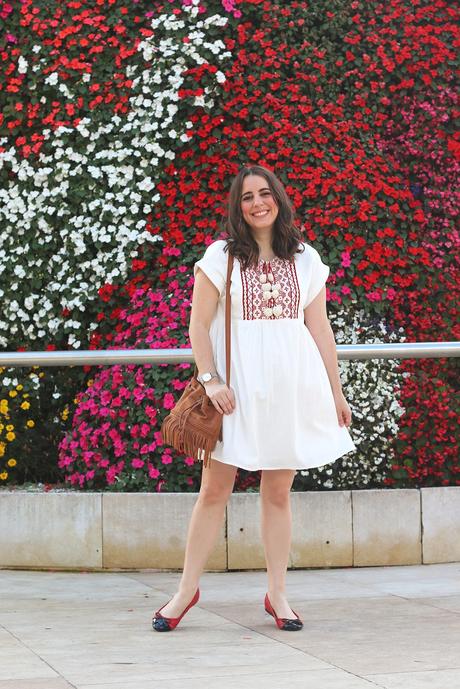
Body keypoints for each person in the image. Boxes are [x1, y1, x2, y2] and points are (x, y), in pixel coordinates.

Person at [152, 164, 356, 632]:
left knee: (278, 494)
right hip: (235, 395)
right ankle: (186, 591)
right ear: (236, 206)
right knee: (213, 492)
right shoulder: (221, 255)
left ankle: (278, 595)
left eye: (265, 194)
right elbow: (198, 325)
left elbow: (319, 328)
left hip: (291, 389)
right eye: (247, 197)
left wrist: (335, 392)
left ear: (279, 199)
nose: (258, 203)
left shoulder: (306, 258)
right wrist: (211, 380)